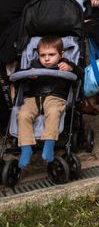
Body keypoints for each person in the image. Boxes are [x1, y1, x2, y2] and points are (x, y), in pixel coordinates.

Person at [17, 35, 81, 167]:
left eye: (51, 55)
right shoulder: (34, 65)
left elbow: (80, 74)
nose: (46, 59)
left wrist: (71, 69)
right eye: (42, 55)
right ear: (38, 55)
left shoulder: (65, 64)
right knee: (22, 115)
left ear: (61, 54)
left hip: (55, 97)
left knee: (53, 112)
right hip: (33, 98)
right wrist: (29, 74)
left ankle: (49, 144)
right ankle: (26, 148)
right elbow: (19, 75)